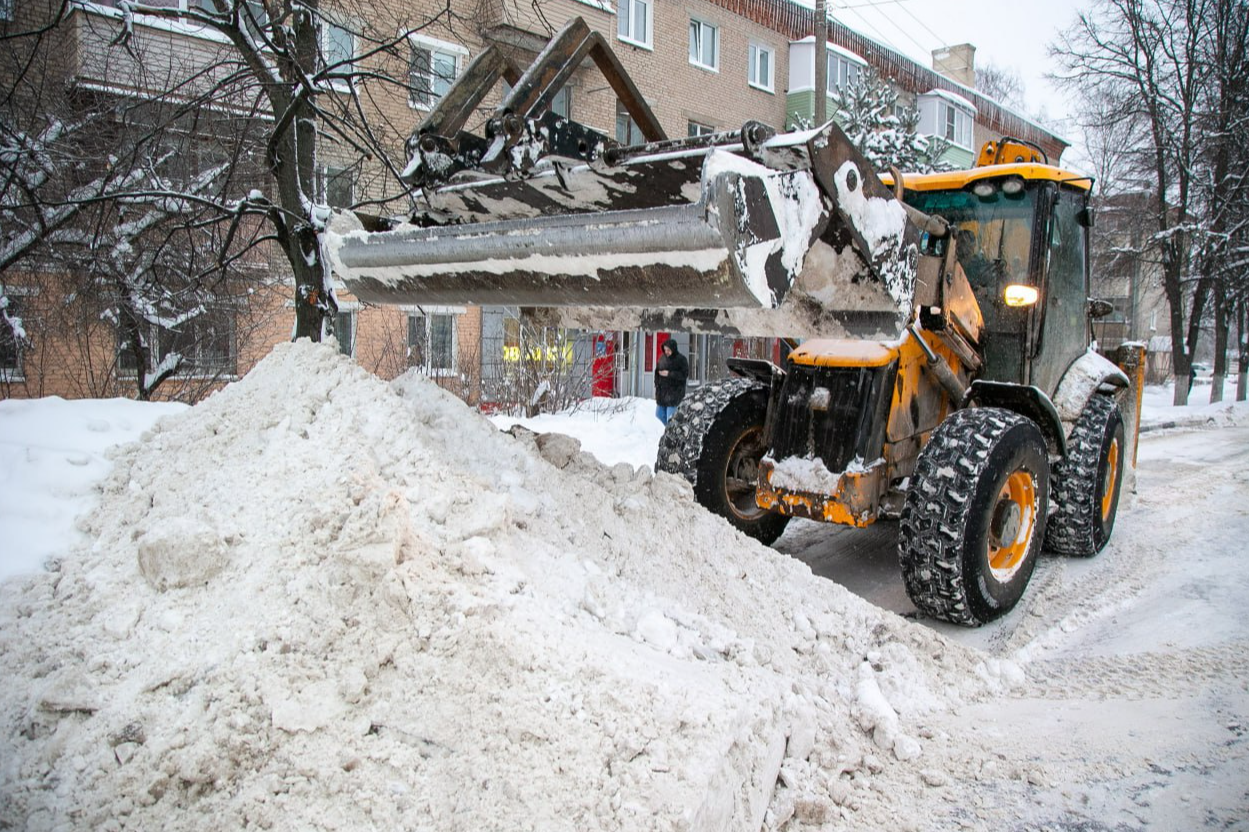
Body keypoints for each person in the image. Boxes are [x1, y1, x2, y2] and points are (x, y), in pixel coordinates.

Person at [654, 338, 688, 425]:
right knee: (659, 414)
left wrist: (669, 374)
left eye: (668, 350)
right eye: (665, 350)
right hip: (662, 394)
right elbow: (657, 372)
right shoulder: (662, 359)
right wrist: (657, 384)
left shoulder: (681, 360)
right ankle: (670, 431)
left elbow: (684, 375)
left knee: (671, 417)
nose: (666, 352)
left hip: (674, 394)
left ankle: (671, 432)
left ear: (673, 349)